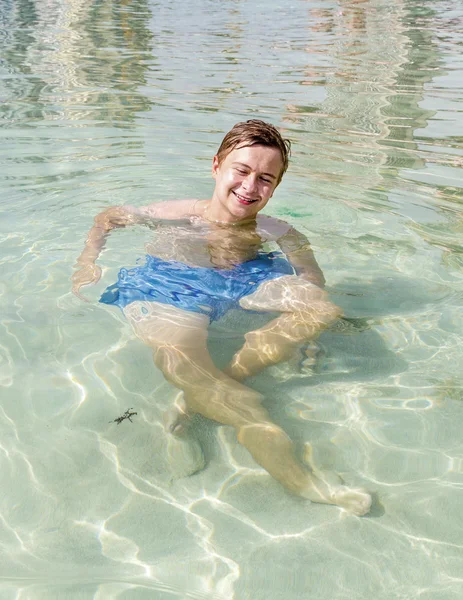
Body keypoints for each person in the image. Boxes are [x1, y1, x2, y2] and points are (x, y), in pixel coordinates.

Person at [72, 119, 372, 516]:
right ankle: (301, 479)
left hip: (245, 280)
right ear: (217, 166)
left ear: (277, 185)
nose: (251, 187)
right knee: (217, 386)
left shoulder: (279, 231)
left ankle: (204, 391)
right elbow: (107, 216)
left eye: (266, 178)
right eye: (242, 171)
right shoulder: (173, 214)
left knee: (322, 307)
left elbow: (312, 279)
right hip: (170, 286)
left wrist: (307, 328)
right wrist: (87, 261)